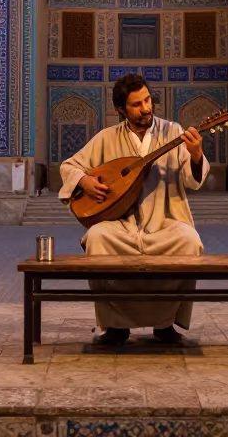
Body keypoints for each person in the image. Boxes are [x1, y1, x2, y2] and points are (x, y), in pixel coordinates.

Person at [59, 74, 207, 347]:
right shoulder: (106, 138)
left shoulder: (173, 132)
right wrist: (85, 181)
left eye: (148, 100)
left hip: (165, 223)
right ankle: (115, 326)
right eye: (137, 104)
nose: (146, 109)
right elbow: (69, 166)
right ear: (121, 110)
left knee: (189, 240)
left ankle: (166, 324)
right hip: (121, 225)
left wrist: (196, 154)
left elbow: (192, 180)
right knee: (97, 238)